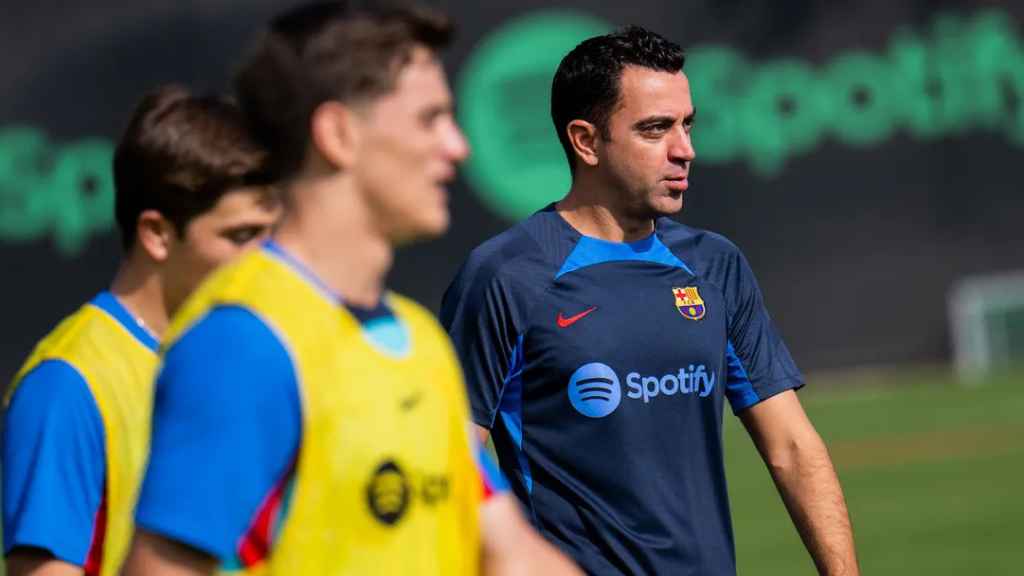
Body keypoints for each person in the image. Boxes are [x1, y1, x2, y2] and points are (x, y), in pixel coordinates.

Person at [122, 3, 581, 575]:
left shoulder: (418, 340)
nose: (457, 146)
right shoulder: (241, 344)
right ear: (338, 134)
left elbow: (510, 552)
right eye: (429, 118)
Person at [441, 25, 860, 575]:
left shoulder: (714, 264)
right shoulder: (505, 277)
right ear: (586, 141)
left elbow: (793, 448)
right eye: (655, 129)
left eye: (687, 125)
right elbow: (449, 470)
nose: (684, 150)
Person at [1, 86, 281, 576]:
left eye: (270, 234)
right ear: (157, 233)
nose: (267, 259)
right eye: (240, 236)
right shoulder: (67, 384)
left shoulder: (253, 358)